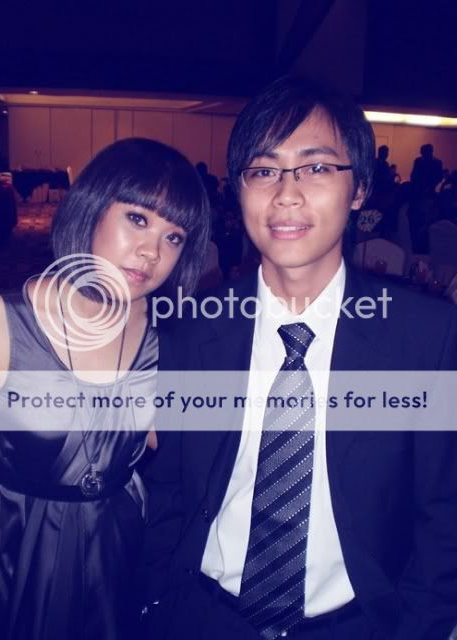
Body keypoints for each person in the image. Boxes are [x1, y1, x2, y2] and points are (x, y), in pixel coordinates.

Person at [142, 77, 457, 640]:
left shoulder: (424, 340)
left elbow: (443, 518)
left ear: (359, 189)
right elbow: (167, 497)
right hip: (205, 617)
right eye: (264, 171)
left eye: (315, 167)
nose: (286, 194)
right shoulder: (191, 333)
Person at [0, 137, 210, 640]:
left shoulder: (171, 337)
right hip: (16, 551)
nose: (151, 252)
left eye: (174, 237)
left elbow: (180, 455)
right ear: (93, 206)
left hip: (122, 551)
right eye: (138, 219)